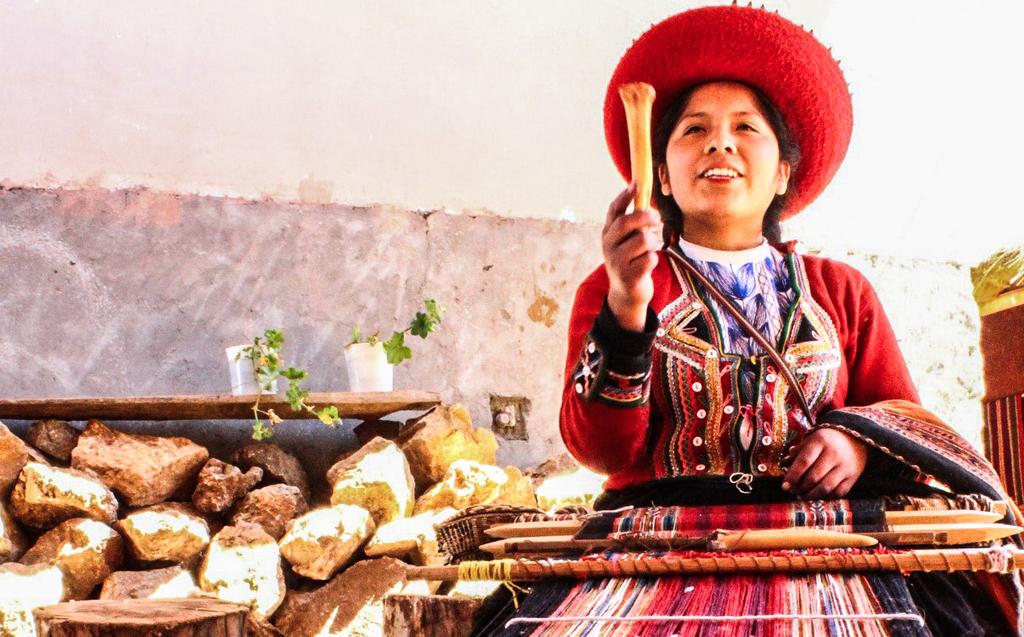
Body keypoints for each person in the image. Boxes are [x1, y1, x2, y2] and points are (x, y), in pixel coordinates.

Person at [553, 4, 1022, 634]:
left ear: (781, 174)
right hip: (656, 542)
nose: (719, 141)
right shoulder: (613, 285)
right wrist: (628, 304)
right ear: (660, 173)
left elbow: (908, 426)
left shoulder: (842, 291)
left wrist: (857, 441)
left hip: (830, 540)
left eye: (746, 127)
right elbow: (598, 449)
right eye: (693, 130)